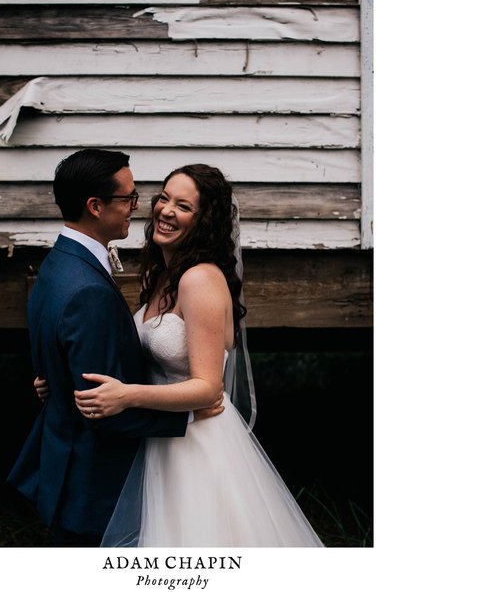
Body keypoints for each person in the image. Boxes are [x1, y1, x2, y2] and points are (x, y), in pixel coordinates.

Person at [70, 164, 324, 547]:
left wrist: (126, 396)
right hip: (165, 435)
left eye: (183, 206)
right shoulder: (162, 275)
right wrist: (62, 376)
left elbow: (208, 389)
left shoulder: (200, 279)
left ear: (204, 221)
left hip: (199, 442)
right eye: (165, 198)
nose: (166, 210)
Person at [7, 149, 223, 547]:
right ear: (95, 206)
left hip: (124, 462)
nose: (141, 208)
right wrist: (188, 417)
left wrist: (58, 377)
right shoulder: (89, 288)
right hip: (95, 483)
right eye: (129, 199)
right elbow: (105, 410)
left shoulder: (57, 264)